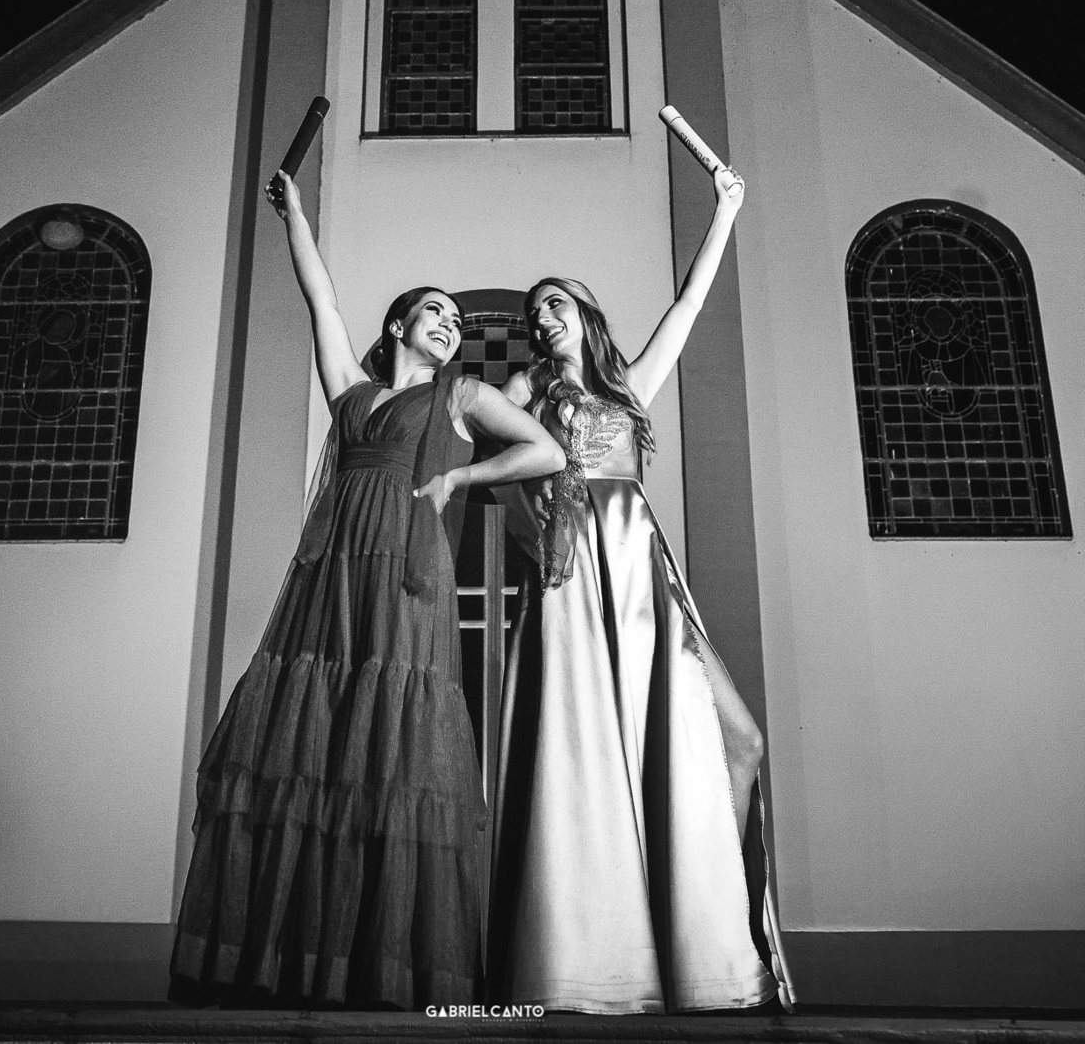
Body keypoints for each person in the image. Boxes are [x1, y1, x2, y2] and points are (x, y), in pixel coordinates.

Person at [170, 174, 565, 1010]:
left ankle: (384, 967)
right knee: (316, 740)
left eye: (457, 321)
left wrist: (461, 480)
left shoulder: (461, 395)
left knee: (392, 745)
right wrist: (296, 217)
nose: (450, 324)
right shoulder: (351, 392)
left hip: (407, 575)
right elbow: (320, 298)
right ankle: (289, 959)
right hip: (333, 574)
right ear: (399, 326)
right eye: (435, 312)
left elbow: (547, 452)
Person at [489, 164, 794, 1014]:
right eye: (534, 312)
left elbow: (688, 305)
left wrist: (726, 210)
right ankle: (596, 964)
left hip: (643, 571)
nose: (542, 318)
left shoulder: (628, 386)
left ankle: (713, 943)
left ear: (586, 314)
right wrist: (534, 521)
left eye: (556, 304)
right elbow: (487, 461)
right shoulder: (526, 389)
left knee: (738, 741)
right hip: (574, 573)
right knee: (589, 753)